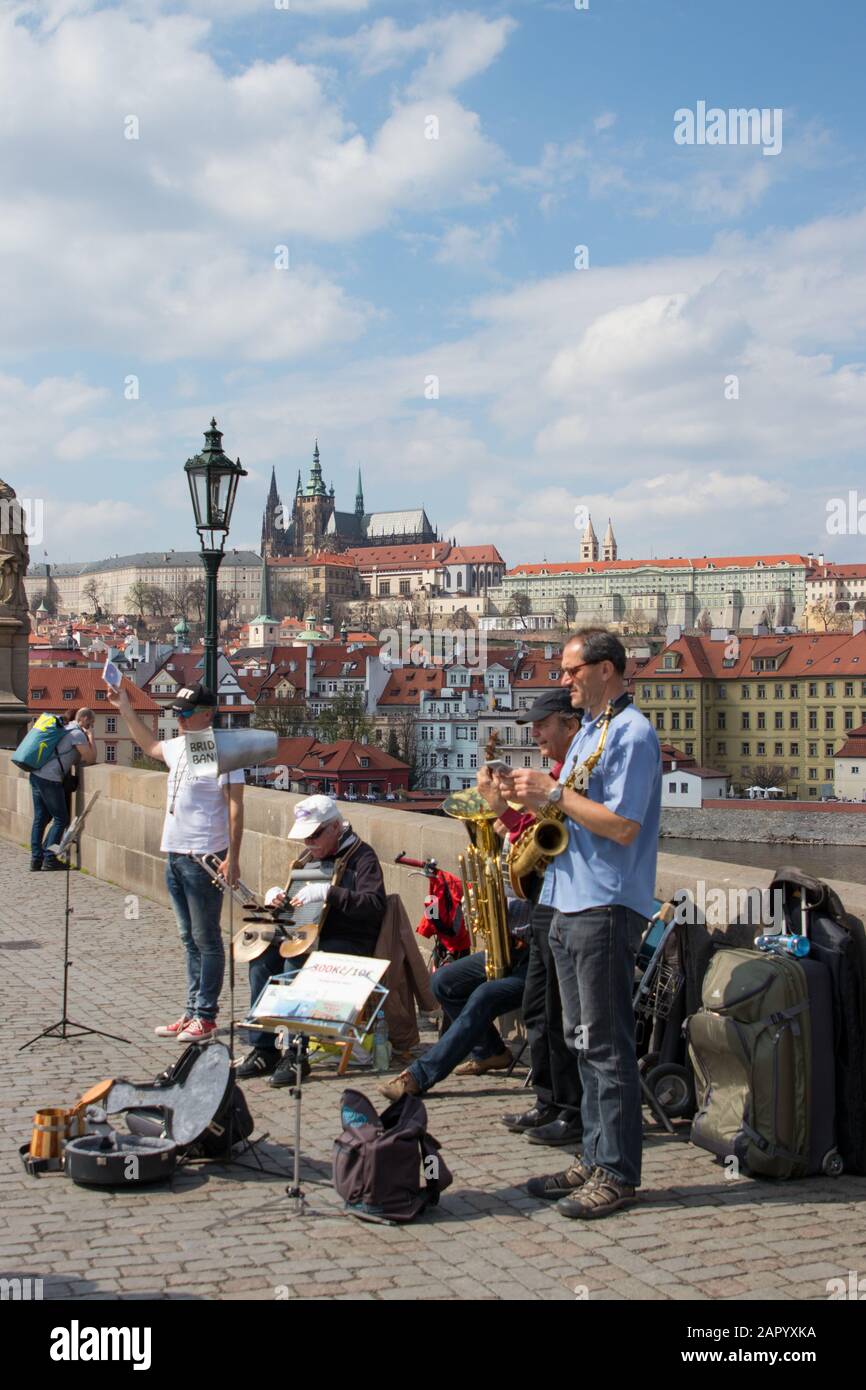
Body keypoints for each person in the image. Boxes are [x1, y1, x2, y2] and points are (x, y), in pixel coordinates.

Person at [503, 628, 661, 1220]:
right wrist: (525, 801)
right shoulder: (592, 731)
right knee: (580, 1040)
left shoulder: (633, 734)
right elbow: (570, 813)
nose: (564, 680)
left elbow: (622, 826)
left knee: (606, 1044)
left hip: (606, 903)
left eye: (572, 671)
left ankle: (617, 1173)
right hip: (567, 899)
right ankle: (594, 1158)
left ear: (606, 669)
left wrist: (553, 792)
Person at [108, 680, 245, 1043]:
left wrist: (233, 857)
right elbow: (149, 745)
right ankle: (191, 1010)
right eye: (177, 714)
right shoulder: (181, 746)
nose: (179, 720)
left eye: (185, 713)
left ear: (207, 714)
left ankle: (206, 1016)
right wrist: (123, 706)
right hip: (175, 853)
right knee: (188, 938)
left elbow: (235, 808)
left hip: (205, 857)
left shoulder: (223, 752)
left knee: (207, 938)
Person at [478, 689, 584, 1148]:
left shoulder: (569, 774)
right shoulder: (555, 774)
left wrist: (504, 810)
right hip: (545, 900)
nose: (535, 732)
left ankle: (571, 1109)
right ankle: (548, 1100)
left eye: (542, 725)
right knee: (540, 1006)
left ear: (568, 723)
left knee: (561, 1012)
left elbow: (557, 833)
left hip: (564, 899)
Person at [236, 794, 387, 1087]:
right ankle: (264, 1048)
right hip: (306, 936)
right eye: (305, 838)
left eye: (314, 836)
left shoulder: (362, 856)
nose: (309, 844)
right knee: (262, 960)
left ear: (335, 827)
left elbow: (374, 906)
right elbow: (299, 908)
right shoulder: (307, 859)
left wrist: (330, 894)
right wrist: (278, 899)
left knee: (296, 962)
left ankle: (297, 1053)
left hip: (346, 941)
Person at [30, 706, 96, 870]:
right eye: (92, 722)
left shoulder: (64, 728)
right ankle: (50, 858)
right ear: (85, 720)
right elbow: (91, 759)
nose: (92, 725)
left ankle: (36, 859)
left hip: (37, 774)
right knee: (61, 819)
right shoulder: (77, 734)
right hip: (50, 779)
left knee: (41, 819)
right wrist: (90, 736)